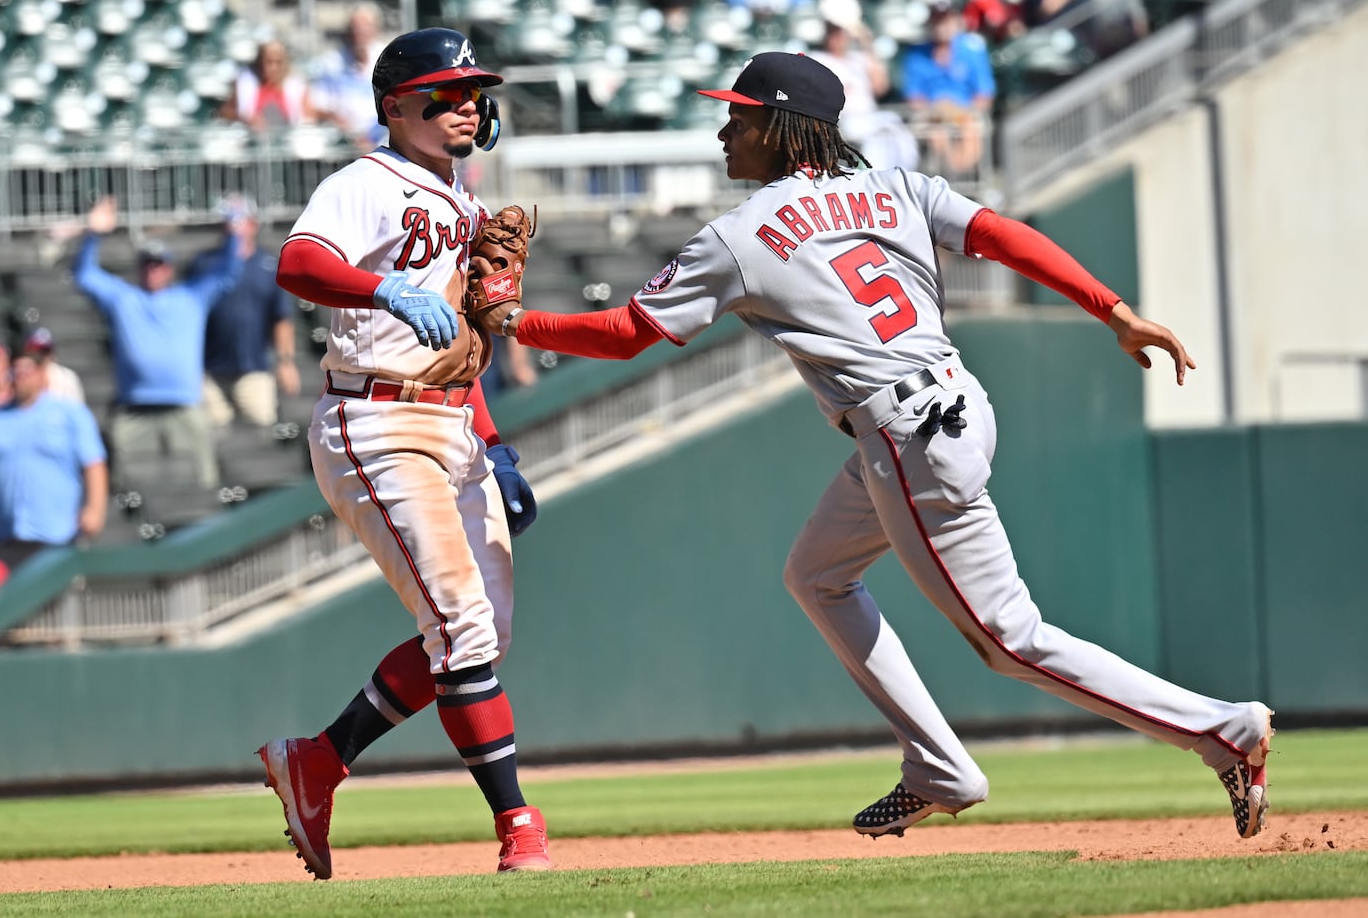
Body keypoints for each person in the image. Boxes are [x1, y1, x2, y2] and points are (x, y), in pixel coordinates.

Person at [484, 51, 1274, 844]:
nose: (725, 129)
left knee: (1009, 639)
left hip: (906, 434)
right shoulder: (895, 186)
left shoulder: (740, 236)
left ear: (783, 127)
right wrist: (1112, 308)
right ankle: (935, 767)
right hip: (950, 405)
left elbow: (626, 335)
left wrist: (513, 320)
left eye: (740, 115)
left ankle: (1219, 730)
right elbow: (1001, 236)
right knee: (817, 575)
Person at [262, 27, 550, 879]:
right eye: (443, 94)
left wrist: (494, 448)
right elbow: (299, 262)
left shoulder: (465, 206)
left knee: (482, 636)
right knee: (461, 627)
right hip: (375, 419)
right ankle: (518, 824)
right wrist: (382, 285)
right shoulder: (365, 180)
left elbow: (467, 346)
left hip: (453, 421)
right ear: (396, 106)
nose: (463, 106)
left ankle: (318, 760)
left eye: (470, 94)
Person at [72, 196, 242, 490]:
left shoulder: (191, 297)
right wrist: (94, 233)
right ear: (138, 268)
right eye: (147, 263)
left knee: (202, 483)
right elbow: (85, 275)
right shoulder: (123, 298)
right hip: (135, 410)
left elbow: (228, 273)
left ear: (169, 268)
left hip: (184, 407)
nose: (153, 269)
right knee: (127, 487)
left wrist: (234, 232)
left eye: (159, 263)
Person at [0, 346, 108, 569]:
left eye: (27, 371)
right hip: (2, 536)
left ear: (41, 373)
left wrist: (95, 509)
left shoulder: (70, 413)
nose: (20, 378)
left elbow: (94, 464)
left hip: (57, 533)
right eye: (15, 371)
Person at [188, 194, 299, 428]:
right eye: (228, 221)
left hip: (254, 369)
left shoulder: (268, 265)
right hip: (210, 370)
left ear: (253, 224)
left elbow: (281, 318)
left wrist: (286, 362)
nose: (232, 227)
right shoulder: (204, 264)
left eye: (238, 220)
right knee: (212, 435)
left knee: (262, 429)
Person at [809, 0, 920, 172]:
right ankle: (871, 177)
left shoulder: (859, 59)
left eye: (841, 32)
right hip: (841, 122)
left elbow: (881, 87)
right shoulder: (818, 59)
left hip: (869, 118)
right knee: (872, 135)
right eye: (832, 31)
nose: (836, 37)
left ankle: (902, 176)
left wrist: (866, 42)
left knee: (896, 128)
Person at [901, 2, 995, 175]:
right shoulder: (916, 54)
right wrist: (937, 111)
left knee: (971, 130)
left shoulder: (971, 50)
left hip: (965, 111)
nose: (942, 27)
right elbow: (914, 96)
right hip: (932, 113)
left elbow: (984, 93)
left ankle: (961, 177)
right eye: (937, 22)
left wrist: (962, 112)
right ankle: (950, 177)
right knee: (937, 133)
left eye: (946, 21)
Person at [310, 5, 390, 152]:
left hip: (383, 138)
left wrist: (371, 135)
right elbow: (317, 104)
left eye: (364, 28)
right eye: (354, 28)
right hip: (343, 142)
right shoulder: (331, 62)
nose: (358, 34)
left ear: (374, 29)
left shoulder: (387, 58)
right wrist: (341, 125)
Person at [220, 40, 317, 133]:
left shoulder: (298, 88)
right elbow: (225, 113)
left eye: (278, 62)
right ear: (260, 62)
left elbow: (309, 119)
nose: (273, 68)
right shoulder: (244, 84)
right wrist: (245, 118)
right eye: (269, 62)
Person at [19, 327, 85, 404]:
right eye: (33, 352)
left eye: (43, 352)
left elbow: (77, 411)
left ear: (51, 354)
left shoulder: (67, 378)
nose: (38, 357)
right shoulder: (19, 376)